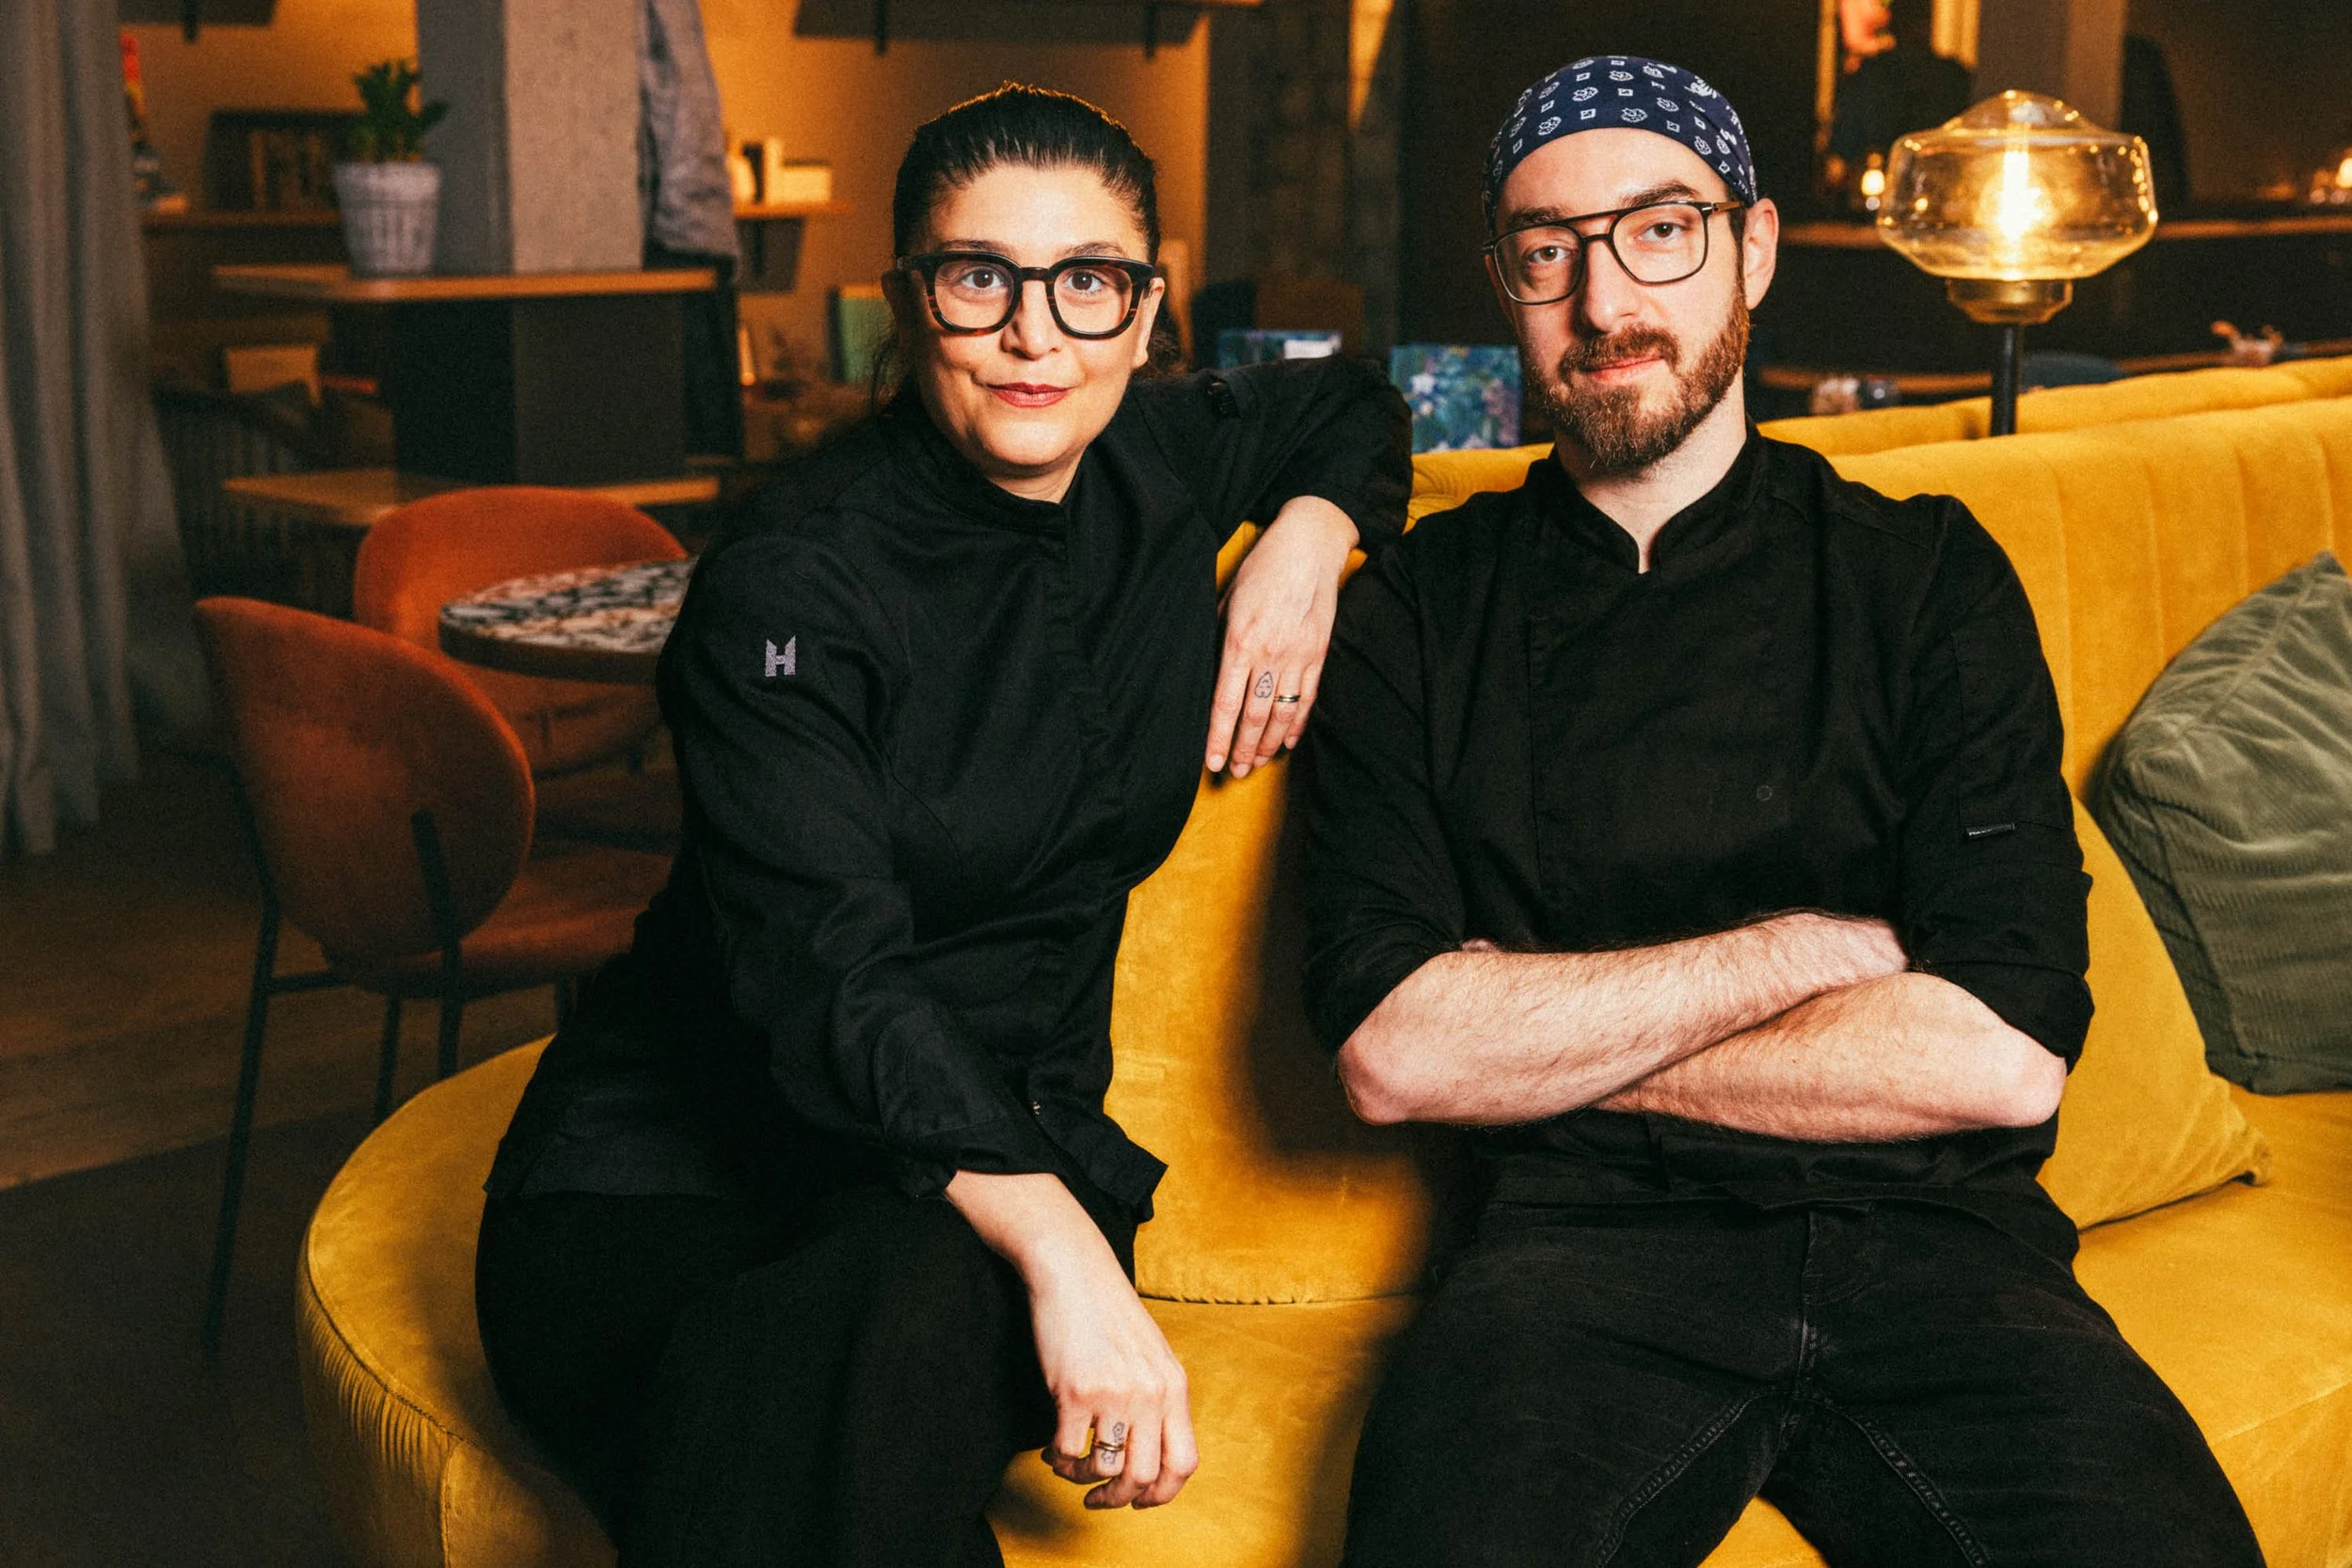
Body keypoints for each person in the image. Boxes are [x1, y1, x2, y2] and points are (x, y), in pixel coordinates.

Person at [1301, 55, 2264, 1568]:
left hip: (1947, 1256)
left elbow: (2002, 1052)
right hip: (1577, 1263)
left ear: (1751, 248)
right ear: (1507, 284)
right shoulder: (1417, 614)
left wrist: (1533, 1038)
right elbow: (1396, 1047)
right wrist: (1810, 950)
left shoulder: (1926, 578)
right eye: (1548, 248)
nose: (1604, 294)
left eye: (1659, 229)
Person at [476, 84, 1410, 1566]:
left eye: (1089, 282)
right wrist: (1060, 1251)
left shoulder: (1158, 460)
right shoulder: (789, 584)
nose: (1037, 333)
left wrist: (1312, 532)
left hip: (981, 1166)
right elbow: (822, 970)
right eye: (981, 278)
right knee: (830, 1373)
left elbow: (1352, 401)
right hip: (667, 1179)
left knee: (870, 1345)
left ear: (1149, 308)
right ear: (910, 302)